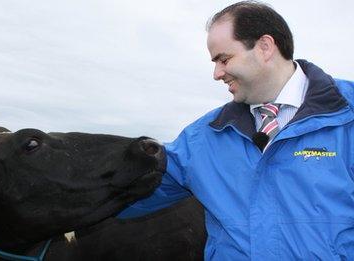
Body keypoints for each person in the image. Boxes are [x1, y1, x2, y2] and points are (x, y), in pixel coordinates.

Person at [118, 1, 354, 260]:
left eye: (224, 59)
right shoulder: (202, 138)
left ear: (265, 47)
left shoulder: (347, 117)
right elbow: (124, 191)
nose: (217, 73)